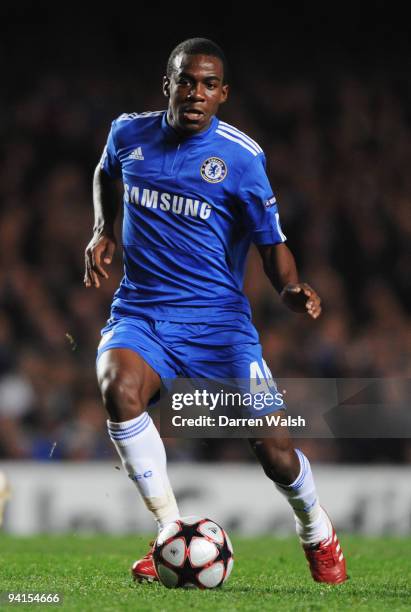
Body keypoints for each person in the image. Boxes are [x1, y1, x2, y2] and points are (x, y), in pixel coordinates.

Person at [84, 38, 347, 585]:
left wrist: (292, 287)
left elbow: (271, 242)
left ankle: (317, 531)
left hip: (218, 328)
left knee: (275, 453)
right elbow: (106, 173)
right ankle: (169, 535)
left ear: (223, 94)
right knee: (117, 385)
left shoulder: (241, 158)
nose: (195, 93)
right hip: (143, 313)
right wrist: (104, 229)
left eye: (208, 84)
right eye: (185, 81)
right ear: (168, 84)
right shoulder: (127, 133)